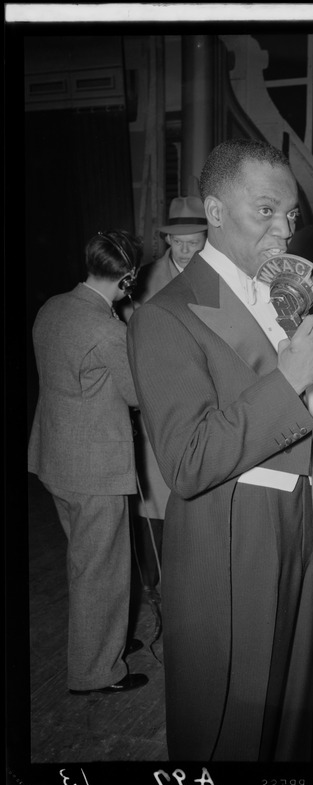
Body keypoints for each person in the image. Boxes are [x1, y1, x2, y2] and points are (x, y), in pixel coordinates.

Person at [126, 138, 313, 761]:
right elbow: (189, 462)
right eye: (266, 211)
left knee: (292, 711)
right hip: (231, 532)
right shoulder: (164, 316)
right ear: (216, 213)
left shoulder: (286, 295)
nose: (285, 231)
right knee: (233, 720)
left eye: (292, 216)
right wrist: (291, 377)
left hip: (303, 514)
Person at [28, 230, 149, 695]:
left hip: (55, 457)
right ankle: (96, 671)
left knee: (87, 562)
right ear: (129, 277)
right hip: (95, 467)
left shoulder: (54, 307)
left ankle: (104, 642)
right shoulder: (107, 329)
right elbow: (137, 394)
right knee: (100, 569)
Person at [122, 196, 207, 593]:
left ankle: (188, 585)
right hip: (155, 403)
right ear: (167, 240)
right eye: (179, 242)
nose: (187, 251)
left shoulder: (216, 276)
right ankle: (153, 584)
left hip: (203, 401)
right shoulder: (141, 280)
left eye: (195, 241)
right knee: (154, 501)